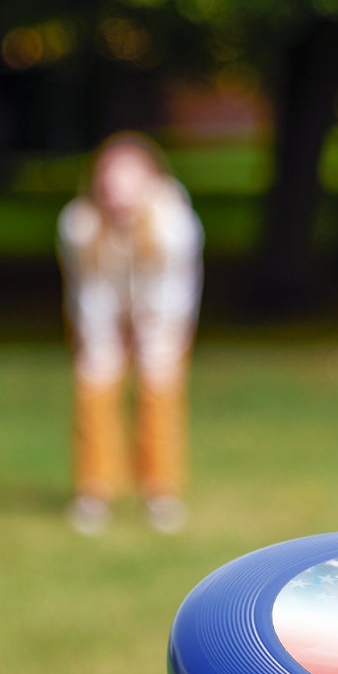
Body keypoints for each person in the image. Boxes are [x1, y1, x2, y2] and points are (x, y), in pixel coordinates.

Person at [57, 132, 204, 535]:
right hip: (101, 315)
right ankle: (94, 491)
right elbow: (88, 291)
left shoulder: (175, 224)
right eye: (110, 181)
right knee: (94, 387)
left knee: (159, 392)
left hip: (162, 316)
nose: (118, 192)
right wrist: (104, 339)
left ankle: (161, 493)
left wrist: (151, 334)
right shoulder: (79, 224)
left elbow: (175, 291)